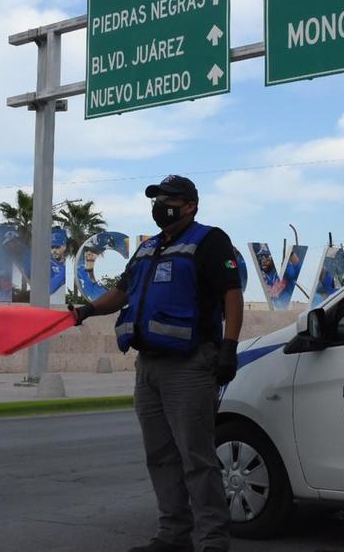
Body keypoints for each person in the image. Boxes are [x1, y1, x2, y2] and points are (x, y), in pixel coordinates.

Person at [71, 175, 243, 552]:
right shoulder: (148, 247)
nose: (161, 204)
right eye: (158, 197)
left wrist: (229, 346)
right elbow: (121, 292)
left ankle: (213, 539)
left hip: (191, 364)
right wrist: (85, 310)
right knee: (161, 457)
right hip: (148, 366)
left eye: (170, 198)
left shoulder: (210, 241)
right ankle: (173, 535)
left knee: (196, 457)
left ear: (191, 205)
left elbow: (232, 294)